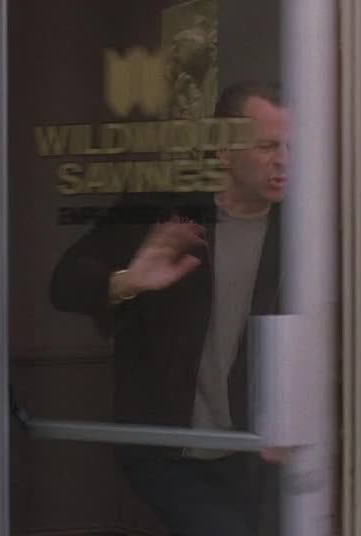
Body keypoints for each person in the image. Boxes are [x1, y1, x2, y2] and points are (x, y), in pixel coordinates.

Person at [49, 80, 290, 536]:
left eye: (290, 146)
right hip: (167, 448)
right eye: (266, 146)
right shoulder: (164, 209)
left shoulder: (302, 229)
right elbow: (63, 284)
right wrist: (127, 281)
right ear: (223, 151)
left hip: (257, 456)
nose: (284, 160)